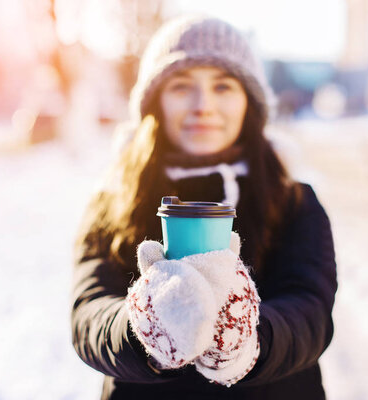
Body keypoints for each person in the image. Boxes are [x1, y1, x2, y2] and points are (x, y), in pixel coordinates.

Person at [71, 15, 337, 400]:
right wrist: (141, 331)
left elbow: (310, 309)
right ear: (155, 102)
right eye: (181, 86)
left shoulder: (293, 199)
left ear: (249, 102)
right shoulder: (114, 199)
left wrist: (249, 343)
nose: (203, 106)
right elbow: (88, 312)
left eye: (223, 86)